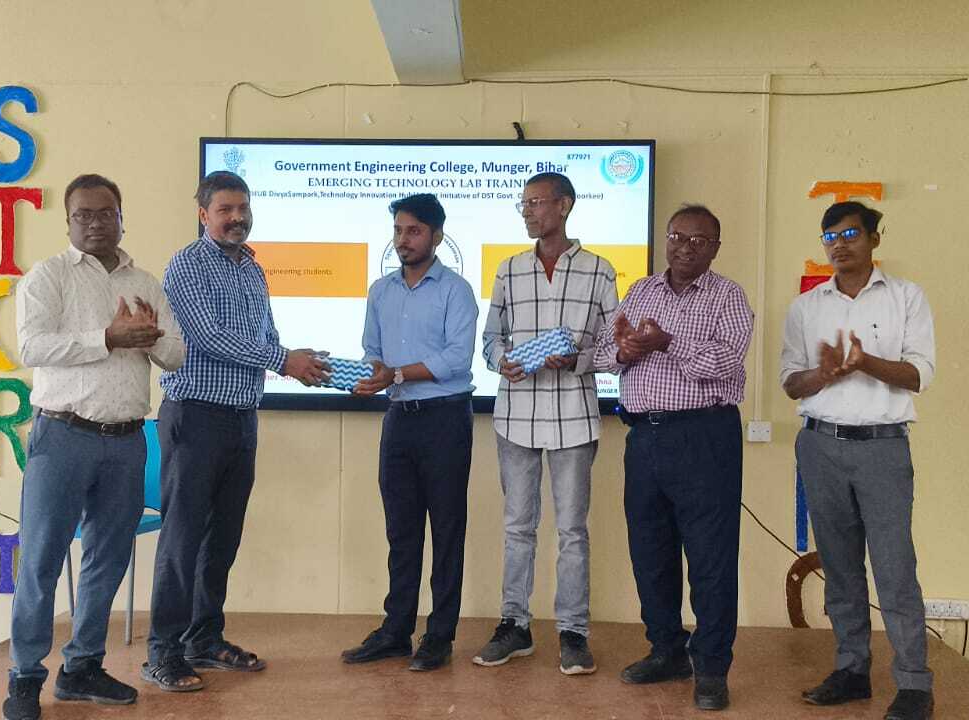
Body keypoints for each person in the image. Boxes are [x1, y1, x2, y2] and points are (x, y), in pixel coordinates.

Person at [4, 174, 185, 720]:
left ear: (122, 218)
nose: (96, 223)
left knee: (107, 560)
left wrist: (150, 337)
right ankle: (25, 677)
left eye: (106, 213)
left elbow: (176, 356)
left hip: (127, 440)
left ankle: (82, 667)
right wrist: (107, 337)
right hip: (62, 436)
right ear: (68, 221)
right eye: (83, 214)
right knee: (41, 558)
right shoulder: (48, 276)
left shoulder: (146, 283)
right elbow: (32, 347)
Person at [143, 171, 330, 691]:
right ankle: (162, 653)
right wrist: (282, 359)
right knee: (182, 540)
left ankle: (203, 639)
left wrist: (299, 362)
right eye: (225, 209)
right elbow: (206, 336)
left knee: (222, 538)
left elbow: (266, 334)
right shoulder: (187, 265)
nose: (237, 217)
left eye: (243, 208)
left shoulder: (252, 268)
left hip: (242, 419)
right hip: (195, 418)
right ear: (204, 214)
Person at [594, 204, 753, 711]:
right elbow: (602, 353)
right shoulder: (642, 290)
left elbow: (724, 361)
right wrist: (625, 351)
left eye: (698, 240)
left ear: (715, 248)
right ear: (666, 239)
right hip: (644, 437)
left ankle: (711, 668)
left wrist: (666, 342)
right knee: (650, 551)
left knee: (710, 558)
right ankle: (666, 650)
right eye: (677, 236)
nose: (685, 247)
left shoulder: (728, 296)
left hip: (703, 435)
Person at [782, 201, 936, 720]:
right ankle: (852, 671)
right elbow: (791, 383)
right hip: (820, 446)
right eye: (830, 237)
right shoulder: (806, 307)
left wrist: (863, 361)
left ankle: (913, 684)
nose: (839, 244)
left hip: (882, 447)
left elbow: (918, 374)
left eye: (850, 234)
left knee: (895, 569)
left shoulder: (906, 297)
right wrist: (824, 374)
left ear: (874, 238)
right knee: (840, 568)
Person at [474, 172, 618, 675]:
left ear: (565, 206)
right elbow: (490, 339)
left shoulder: (599, 270)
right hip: (516, 416)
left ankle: (573, 633)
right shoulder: (509, 269)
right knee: (518, 528)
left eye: (536, 203)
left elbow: (615, 347)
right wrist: (503, 361)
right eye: (524, 204)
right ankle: (514, 626)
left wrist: (578, 359)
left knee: (572, 531)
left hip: (574, 417)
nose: (528, 212)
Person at [339, 193, 479, 672]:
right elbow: (371, 350)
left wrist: (394, 373)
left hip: (445, 419)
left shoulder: (456, 291)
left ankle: (439, 635)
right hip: (398, 419)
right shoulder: (381, 291)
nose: (404, 239)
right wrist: (367, 374)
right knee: (401, 531)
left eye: (414, 231)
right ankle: (396, 631)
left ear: (436, 236)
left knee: (446, 530)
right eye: (399, 230)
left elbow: (456, 358)